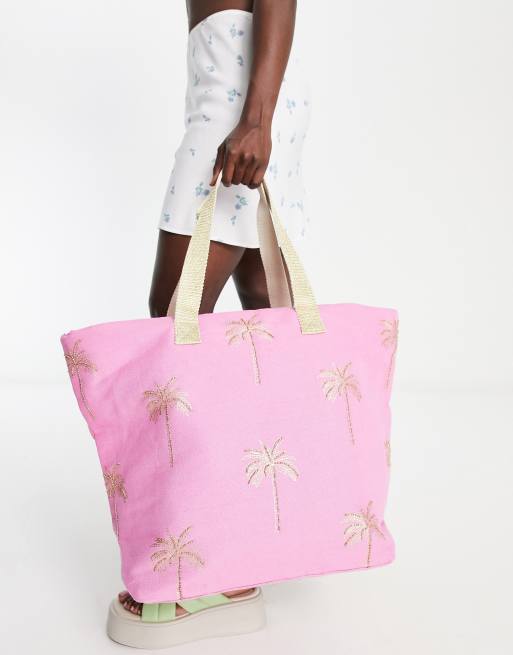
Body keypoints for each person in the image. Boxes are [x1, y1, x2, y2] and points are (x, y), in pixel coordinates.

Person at [109, 0, 310, 647]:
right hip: (234, 91)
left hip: (238, 108)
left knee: (176, 326)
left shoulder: (245, 114)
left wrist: (255, 120)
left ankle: (205, 562)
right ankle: (245, 540)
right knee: (266, 328)